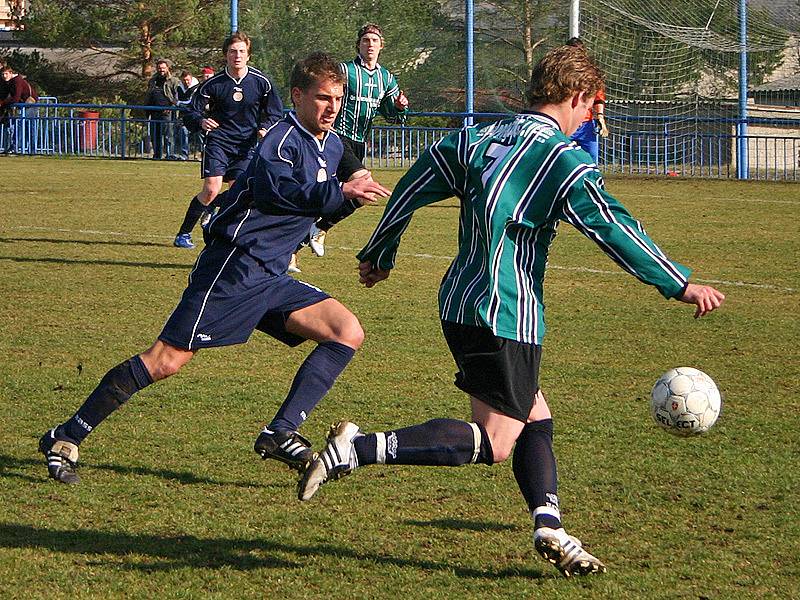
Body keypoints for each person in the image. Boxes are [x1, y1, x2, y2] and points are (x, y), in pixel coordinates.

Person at [297, 43, 725, 578]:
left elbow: (413, 181)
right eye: (593, 106)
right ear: (574, 96)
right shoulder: (564, 160)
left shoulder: (480, 137)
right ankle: (353, 451)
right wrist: (678, 284)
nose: (593, 118)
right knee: (497, 441)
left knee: (535, 413)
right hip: (505, 312)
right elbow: (613, 228)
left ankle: (549, 525)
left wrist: (382, 249)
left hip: (460, 300)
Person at [38, 51, 390, 486]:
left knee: (346, 331)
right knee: (166, 360)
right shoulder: (279, 140)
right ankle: (65, 436)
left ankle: (280, 432)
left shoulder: (332, 145)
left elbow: (328, 205)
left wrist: (350, 206)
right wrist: (340, 190)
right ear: (297, 96)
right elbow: (286, 193)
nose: (332, 107)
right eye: (322, 98)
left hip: (272, 274)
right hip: (233, 266)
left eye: (338, 98)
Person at [290, 23, 408, 271]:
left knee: (355, 196)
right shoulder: (345, 70)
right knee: (364, 186)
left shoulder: (386, 78)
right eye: (366, 40)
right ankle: (315, 230)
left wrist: (399, 107)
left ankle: (301, 240)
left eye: (375, 40)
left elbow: (393, 117)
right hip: (337, 138)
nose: (370, 44)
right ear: (359, 45)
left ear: (381, 46)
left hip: (359, 143)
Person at [173, 32, 284, 250]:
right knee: (211, 189)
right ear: (226, 55)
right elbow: (190, 111)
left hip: (246, 147)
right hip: (219, 143)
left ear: (249, 55)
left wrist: (265, 128)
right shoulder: (213, 84)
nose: (237, 55)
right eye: (233, 51)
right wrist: (201, 121)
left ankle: (222, 232)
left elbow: (275, 113)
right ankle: (184, 234)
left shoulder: (261, 82)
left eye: (242, 51)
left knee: (239, 195)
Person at [567, 38, 608, 163]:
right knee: (565, 159)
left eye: (578, 52)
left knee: (591, 158)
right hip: (567, 123)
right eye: (572, 52)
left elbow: (598, 97)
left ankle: (590, 181)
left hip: (586, 125)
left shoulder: (591, 73)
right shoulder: (561, 73)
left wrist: (600, 117)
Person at [144, 59, 181, 160]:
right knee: (155, 136)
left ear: (168, 68)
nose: (161, 70)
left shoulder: (174, 81)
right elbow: (148, 95)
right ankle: (157, 155)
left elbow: (177, 97)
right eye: (159, 68)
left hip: (167, 113)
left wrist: (172, 107)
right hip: (154, 112)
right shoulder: (153, 80)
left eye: (163, 68)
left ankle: (170, 155)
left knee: (168, 135)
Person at [0, 65, 38, 154]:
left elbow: (16, 98)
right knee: (22, 125)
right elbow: (5, 94)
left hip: (30, 104)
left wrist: (3, 103)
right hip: (23, 105)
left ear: (11, 73)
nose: (4, 76)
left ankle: (18, 148)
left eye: (6, 74)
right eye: (2, 74)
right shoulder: (9, 81)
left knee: (21, 125)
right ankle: (27, 149)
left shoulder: (17, 81)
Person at [174, 70, 199, 160]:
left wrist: (179, 103)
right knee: (183, 132)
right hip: (183, 116)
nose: (186, 82)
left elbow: (191, 102)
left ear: (191, 78)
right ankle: (184, 155)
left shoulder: (196, 87)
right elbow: (175, 99)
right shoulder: (179, 88)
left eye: (188, 80)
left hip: (196, 116)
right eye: (184, 80)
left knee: (199, 135)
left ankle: (199, 154)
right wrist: (180, 103)